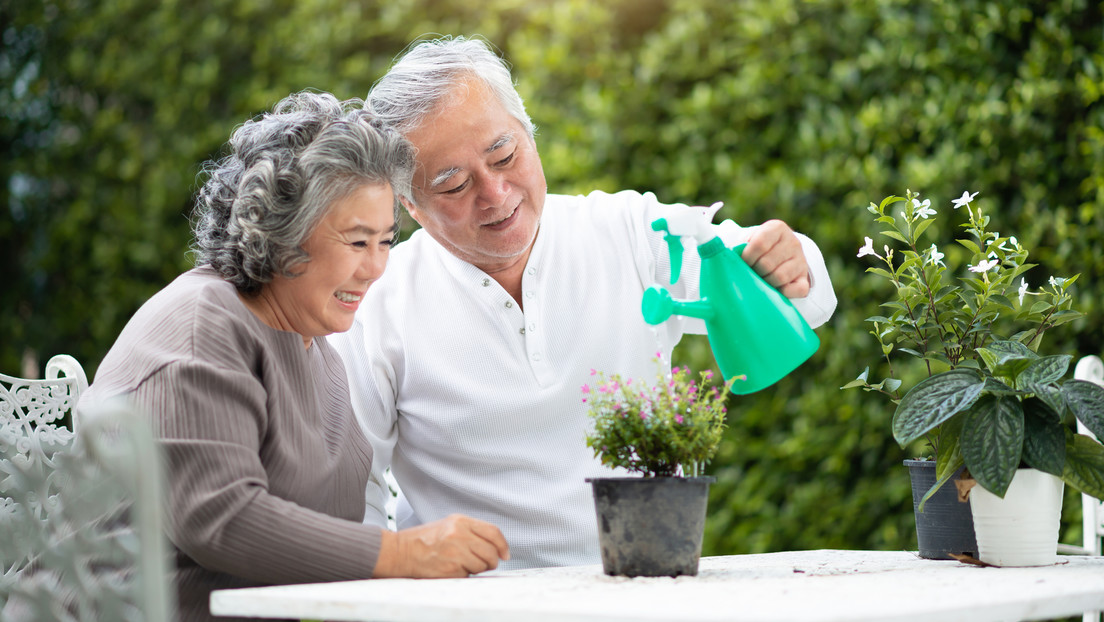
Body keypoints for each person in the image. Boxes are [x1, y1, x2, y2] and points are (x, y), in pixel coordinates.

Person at [330, 37, 838, 570]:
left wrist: (790, 260)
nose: (496, 193)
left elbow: (799, 298)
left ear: (529, 132)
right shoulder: (378, 306)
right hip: (477, 607)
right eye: (454, 184)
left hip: (648, 588)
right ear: (408, 203)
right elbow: (353, 498)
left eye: (505, 155)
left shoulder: (629, 231)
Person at [74, 91, 509, 621]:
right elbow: (222, 519)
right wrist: (404, 554)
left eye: (386, 242)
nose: (376, 268)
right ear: (282, 235)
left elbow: (328, 540)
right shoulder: (199, 325)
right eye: (356, 242)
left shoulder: (321, 355)